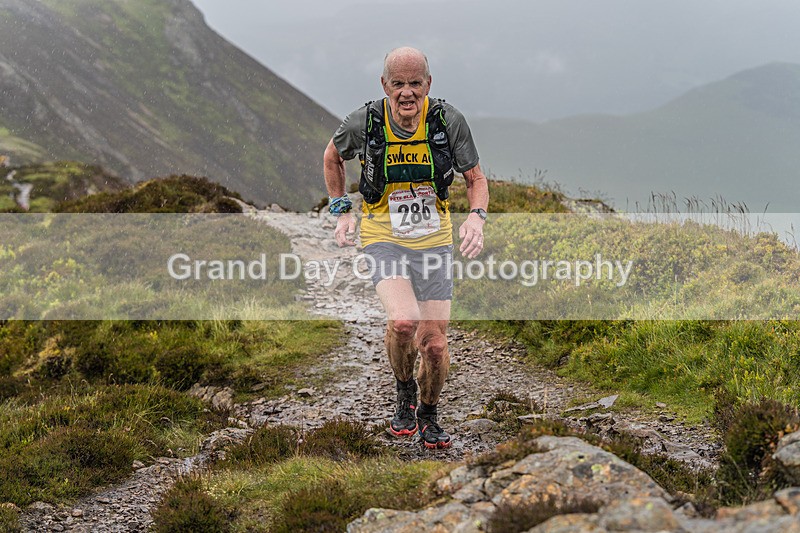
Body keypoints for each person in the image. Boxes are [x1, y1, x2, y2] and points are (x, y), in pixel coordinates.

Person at [322, 47, 489, 449]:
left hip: (433, 241)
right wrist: (342, 210)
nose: (407, 93)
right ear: (385, 85)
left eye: (415, 83)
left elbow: (475, 178)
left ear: (428, 85)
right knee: (403, 322)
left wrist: (476, 217)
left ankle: (428, 413)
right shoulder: (365, 121)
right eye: (398, 84)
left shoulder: (447, 121)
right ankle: (404, 393)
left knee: (434, 345)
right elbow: (332, 157)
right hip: (384, 236)